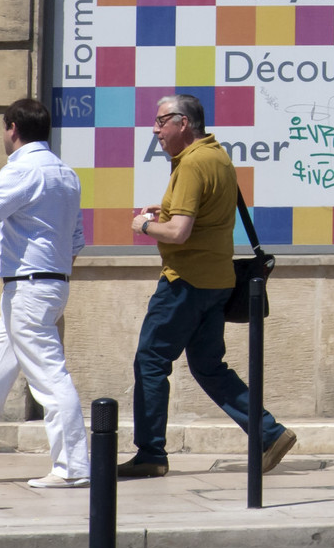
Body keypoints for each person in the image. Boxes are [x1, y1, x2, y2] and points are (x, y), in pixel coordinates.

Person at [120, 94, 296, 478]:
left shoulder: (191, 165)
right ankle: (270, 433)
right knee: (208, 366)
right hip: (218, 280)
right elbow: (202, 218)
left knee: (150, 362)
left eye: (161, 120)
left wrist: (144, 225)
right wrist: (164, 211)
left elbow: (179, 232)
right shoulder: (218, 157)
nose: (155, 129)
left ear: (183, 123)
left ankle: (150, 453)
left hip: (184, 282)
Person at [0, 99, 90, 488]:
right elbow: (77, 241)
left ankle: (74, 467)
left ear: (13, 127)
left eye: (3, 128)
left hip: (29, 288)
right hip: (46, 284)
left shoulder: (21, 170)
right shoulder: (66, 174)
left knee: (49, 376)